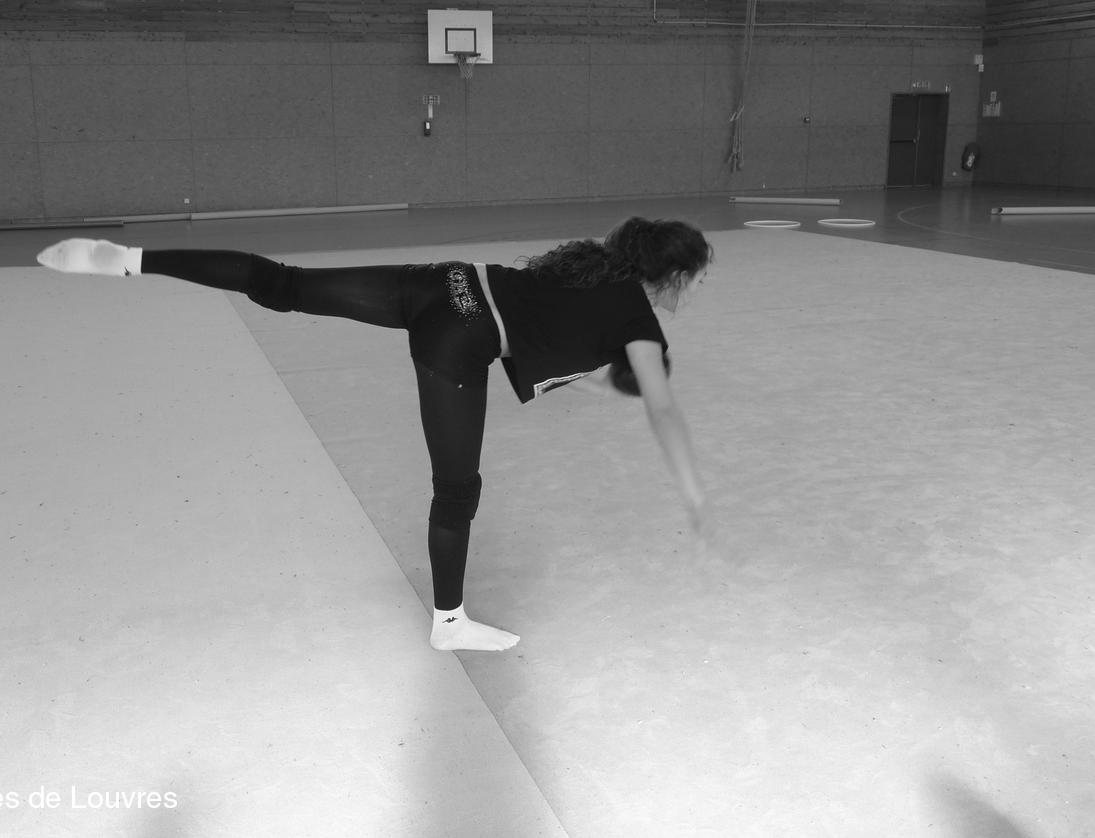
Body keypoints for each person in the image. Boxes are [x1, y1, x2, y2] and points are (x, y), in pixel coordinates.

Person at [36, 216, 712, 652]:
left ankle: (127, 259)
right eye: (694, 279)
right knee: (457, 490)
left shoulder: (590, 264)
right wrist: (694, 493)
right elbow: (662, 410)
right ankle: (450, 624)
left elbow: (552, 338)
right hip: (461, 339)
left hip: (445, 284)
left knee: (283, 284)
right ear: (675, 275)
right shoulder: (637, 324)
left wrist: (598, 383)